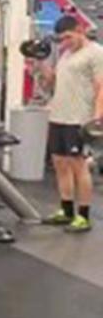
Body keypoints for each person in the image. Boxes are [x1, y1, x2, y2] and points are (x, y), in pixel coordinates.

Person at [41, 15, 103, 233]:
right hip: (58, 116)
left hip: (79, 119)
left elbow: (100, 87)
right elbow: (52, 81)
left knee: (79, 165)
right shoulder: (66, 53)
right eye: (61, 39)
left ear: (80, 30)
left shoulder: (95, 52)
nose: (65, 43)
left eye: (68, 37)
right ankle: (66, 210)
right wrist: (39, 61)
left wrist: (97, 118)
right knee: (59, 163)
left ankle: (83, 216)